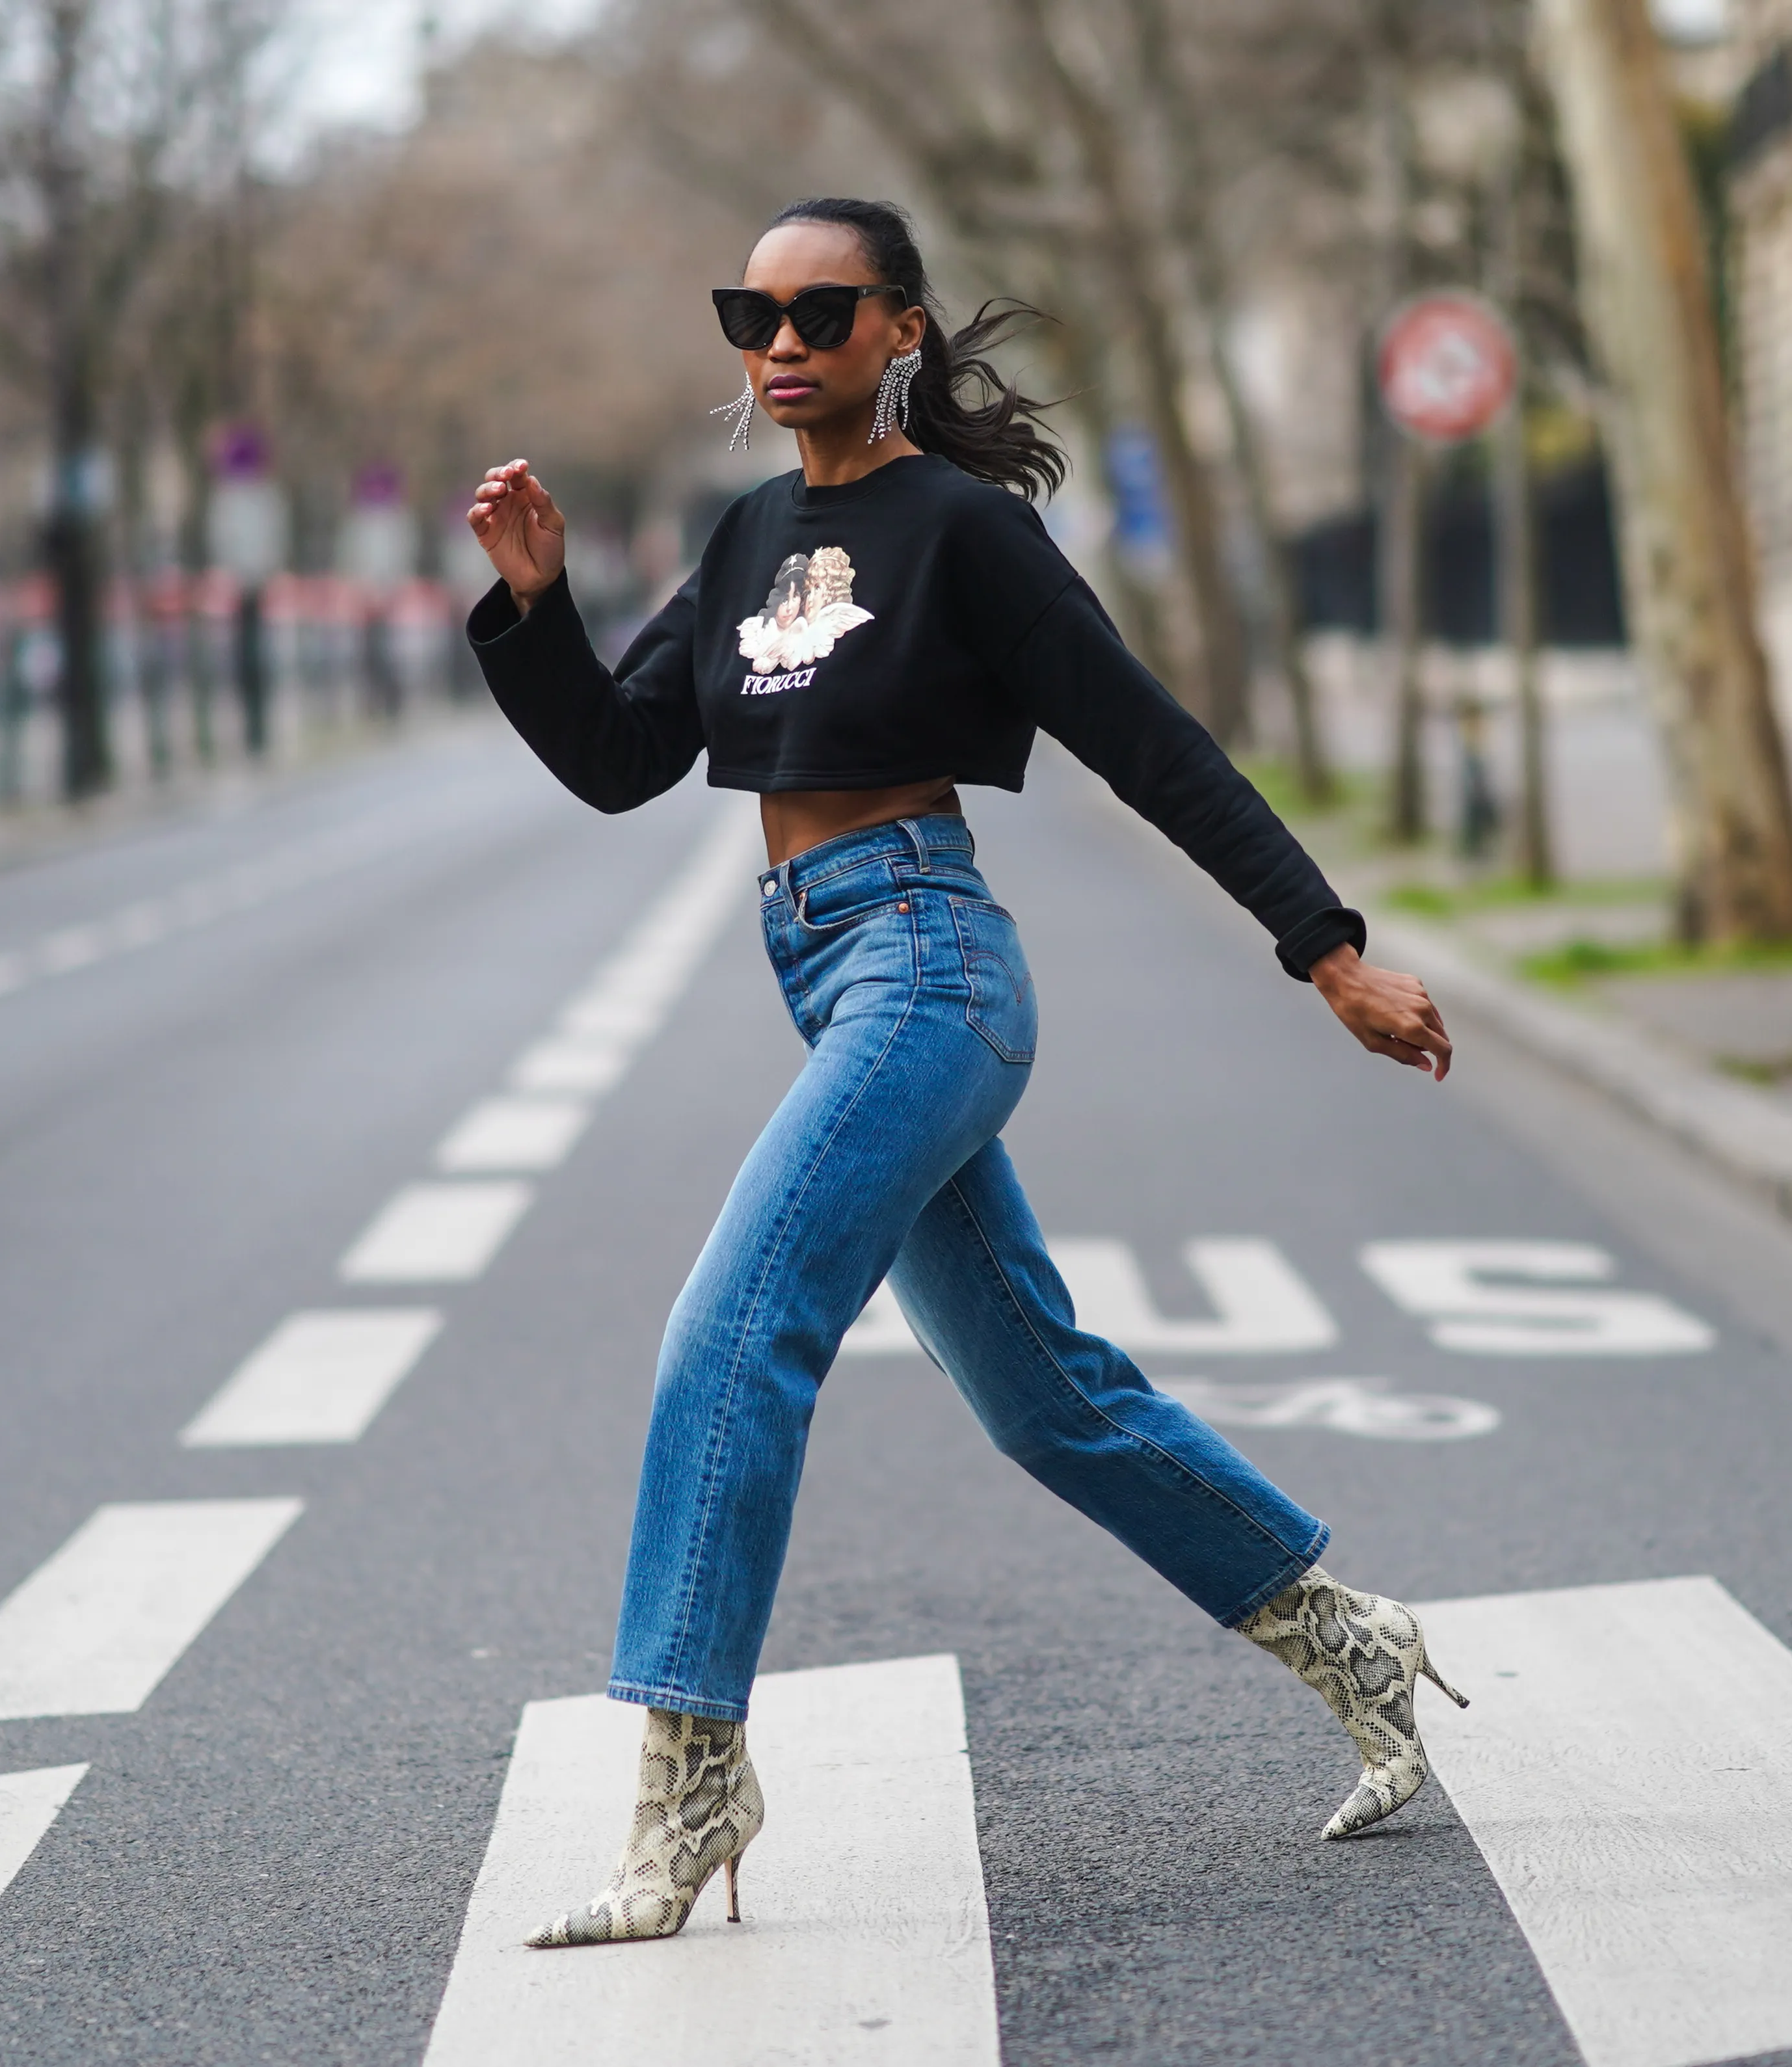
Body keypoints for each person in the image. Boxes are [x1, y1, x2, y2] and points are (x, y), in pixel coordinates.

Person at [463, 197, 1464, 1951]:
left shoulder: (961, 534)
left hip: (928, 967)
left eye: (820, 312)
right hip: (821, 966)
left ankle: (692, 1772)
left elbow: (1148, 741)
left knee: (732, 1329)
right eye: (750, 314)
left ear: (898, 331)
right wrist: (537, 612)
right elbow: (624, 761)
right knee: (1042, 1396)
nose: (779, 344)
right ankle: (1349, 1636)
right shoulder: (739, 536)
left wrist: (1327, 950)